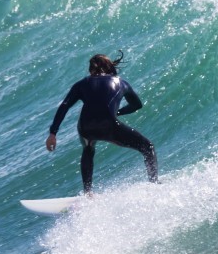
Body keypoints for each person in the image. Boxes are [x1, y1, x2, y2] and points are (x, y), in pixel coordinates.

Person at [46, 52, 158, 194]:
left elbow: (65, 105)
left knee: (88, 149)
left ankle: (88, 193)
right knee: (148, 147)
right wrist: (117, 112)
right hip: (109, 125)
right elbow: (137, 105)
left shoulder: (82, 83)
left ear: (91, 70)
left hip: (86, 127)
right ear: (110, 67)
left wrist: (53, 133)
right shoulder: (121, 83)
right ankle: (154, 183)